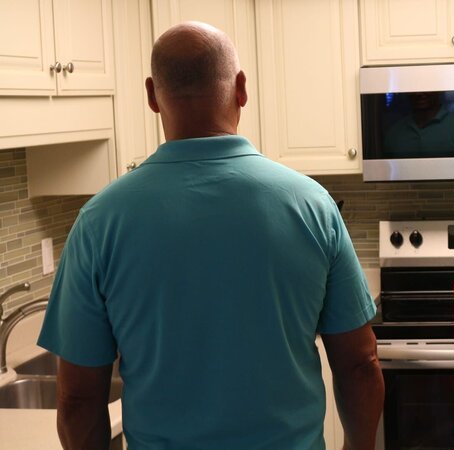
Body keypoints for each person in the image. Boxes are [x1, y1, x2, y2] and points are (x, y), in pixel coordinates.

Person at [37, 21, 384, 450]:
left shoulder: (99, 222)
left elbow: (76, 399)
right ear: (241, 89)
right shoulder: (312, 205)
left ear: (151, 95)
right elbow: (360, 364)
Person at [383, 91, 454, 158]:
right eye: (414, 89)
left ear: (438, 91)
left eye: (425, 88)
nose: (419, 93)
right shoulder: (394, 133)